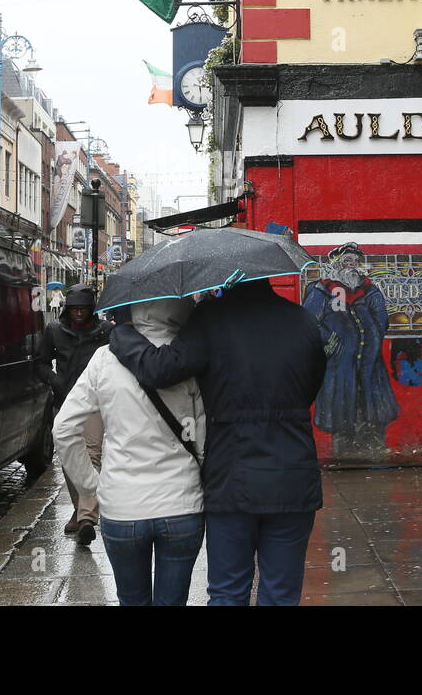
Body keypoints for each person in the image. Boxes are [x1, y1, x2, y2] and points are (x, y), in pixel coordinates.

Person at [109, 278, 326, 606]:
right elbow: (311, 388)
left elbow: (159, 369)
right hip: (293, 477)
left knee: (228, 591)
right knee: (281, 593)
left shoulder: (211, 318)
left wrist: (123, 334)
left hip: (231, 480)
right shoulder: (304, 321)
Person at [54, 297, 205, 605]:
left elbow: (63, 429)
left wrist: (90, 486)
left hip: (122, 506)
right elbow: (202, 435)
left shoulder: (103, 359)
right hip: (181, 504)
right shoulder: (190, 356)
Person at [302, 242, 399, 458]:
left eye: (355, 261)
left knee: (372, 413)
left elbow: (381, 320)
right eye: (347, 260)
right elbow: (308, 322)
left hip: (370, 366)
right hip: (339, 368)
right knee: (342, 414)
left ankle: (373, 451)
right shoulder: (321, 291)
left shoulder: (370, 290)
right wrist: (333, 341)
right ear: (336, 264)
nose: (352, 265)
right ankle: (343, 454)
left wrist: (371, 337)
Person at [35, 285, 112, 544]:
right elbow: (41, 363)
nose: (79, 313)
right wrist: (56, 381)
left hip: (93, 402)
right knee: (69, 455)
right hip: (66, 398)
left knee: (91, 453)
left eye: (84, 309)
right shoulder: (55, 331)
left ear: (92, 310)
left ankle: (87, 516)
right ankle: (81, 510)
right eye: (75, 309)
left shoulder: (105, 333)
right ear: (68, 309)